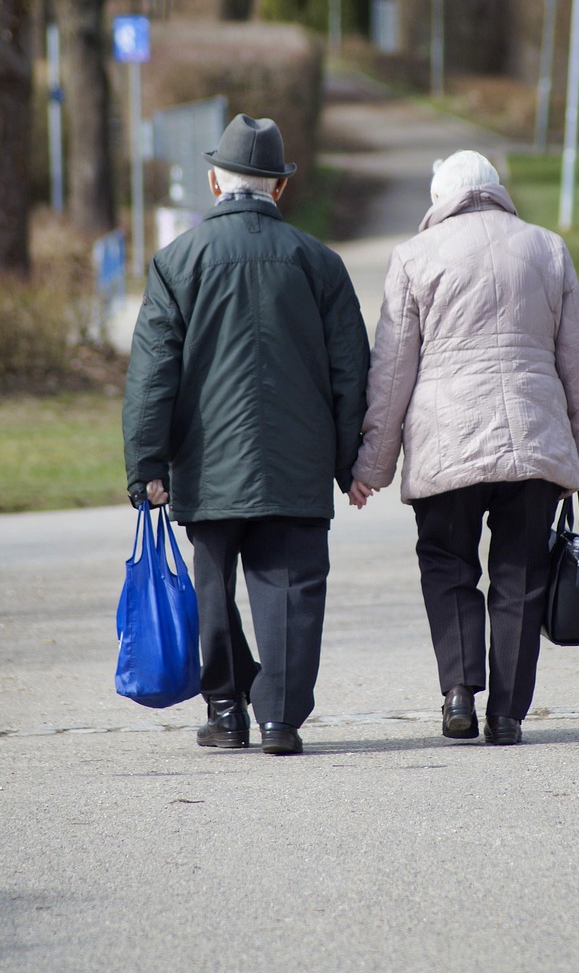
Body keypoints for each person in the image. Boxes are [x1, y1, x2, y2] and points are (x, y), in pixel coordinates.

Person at [123, 113, 370, 756]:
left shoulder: (177, 262)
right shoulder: (320, 263)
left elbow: (153, 375)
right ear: (279, 188)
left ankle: (228, 710)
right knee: (291, 589)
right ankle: (281, 719)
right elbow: (352, 372)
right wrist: (349, 463)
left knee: (212, 588)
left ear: (213, 182)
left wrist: (146, 462)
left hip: (206, 464)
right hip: (297, 460)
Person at [349, 150, 579, 746]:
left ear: (441, 200)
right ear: (496, 191)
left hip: (446, 442)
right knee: (521, 574)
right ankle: (508, 714)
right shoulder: (547, 248)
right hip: (533, 444)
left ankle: (460, 693)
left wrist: (371, 468)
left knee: (447, 565)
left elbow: (391, 374)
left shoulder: (413, 257)